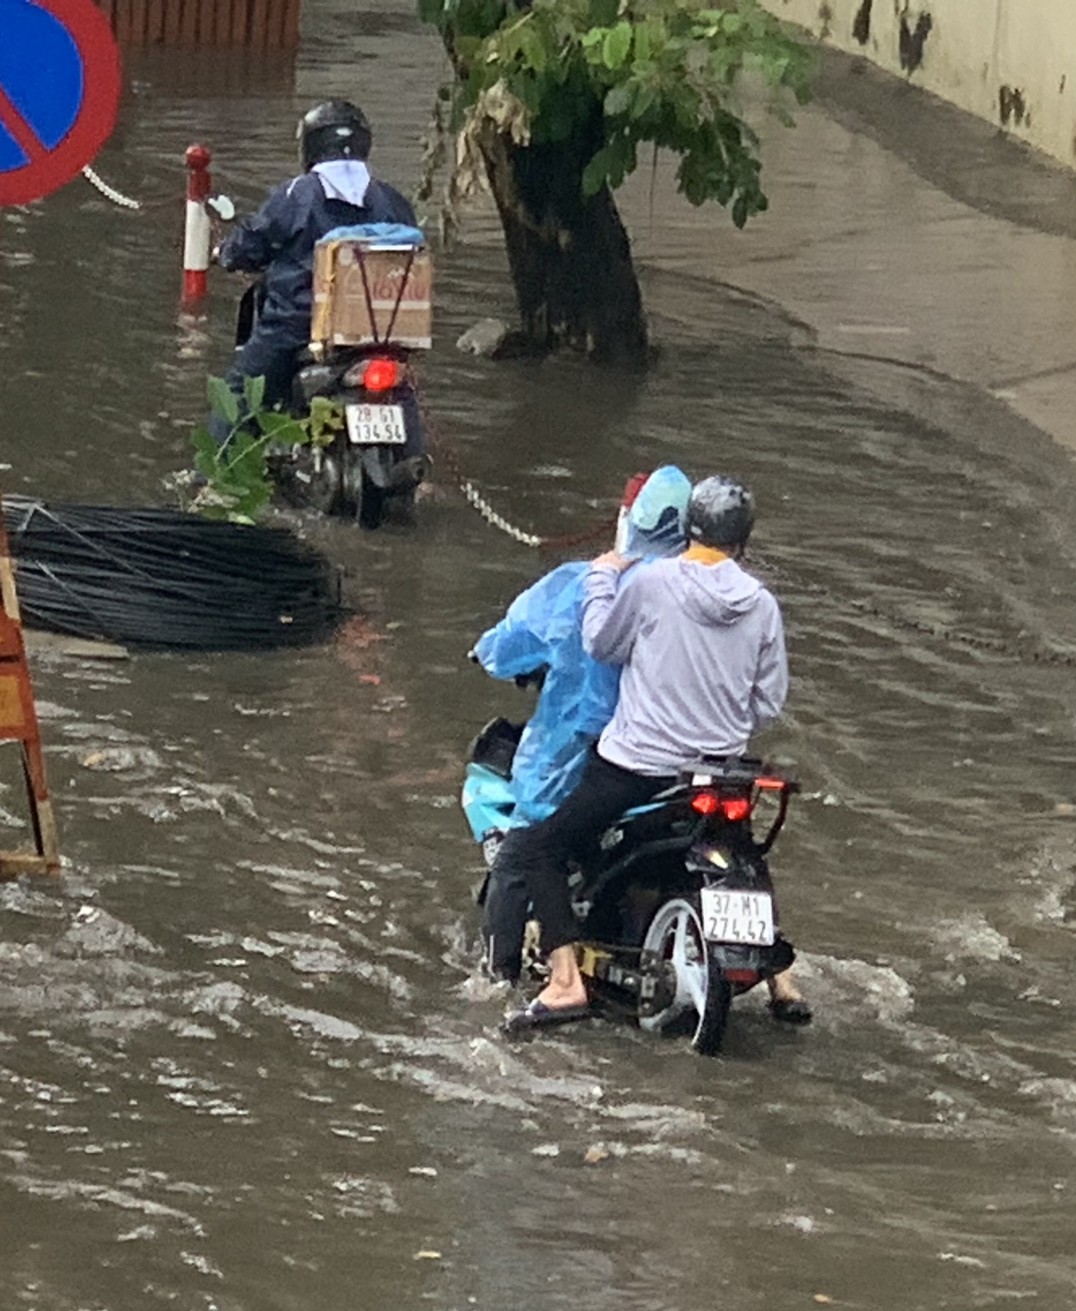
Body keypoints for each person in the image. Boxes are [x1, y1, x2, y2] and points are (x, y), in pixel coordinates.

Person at [494, 475, 811, 1028]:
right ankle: (784, 981)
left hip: (636, 767)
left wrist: (601, 577)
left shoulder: (652, 583)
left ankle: (565, 982)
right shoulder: (761, 606)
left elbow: (601, 644)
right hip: (718, 772)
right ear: (743, 539)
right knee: (743, 850)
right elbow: (769, 700)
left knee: (543, 849)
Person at [469, 465, 693, 981]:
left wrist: (484, 652)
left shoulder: (583, 584)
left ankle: (496, 978)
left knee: (521, 853)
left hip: (585, 749)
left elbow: (513, 641)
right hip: (677, 759)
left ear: (629, 519)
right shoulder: (701, 593)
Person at [211, 100, 417, 438]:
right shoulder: (392, 200)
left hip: (298, 326)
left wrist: (226, 253)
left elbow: (254, 239)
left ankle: (213, 480)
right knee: (403, 394)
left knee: (238, 394)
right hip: (380, 328)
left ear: (310, 145)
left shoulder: (298, 194)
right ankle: (417, 475)